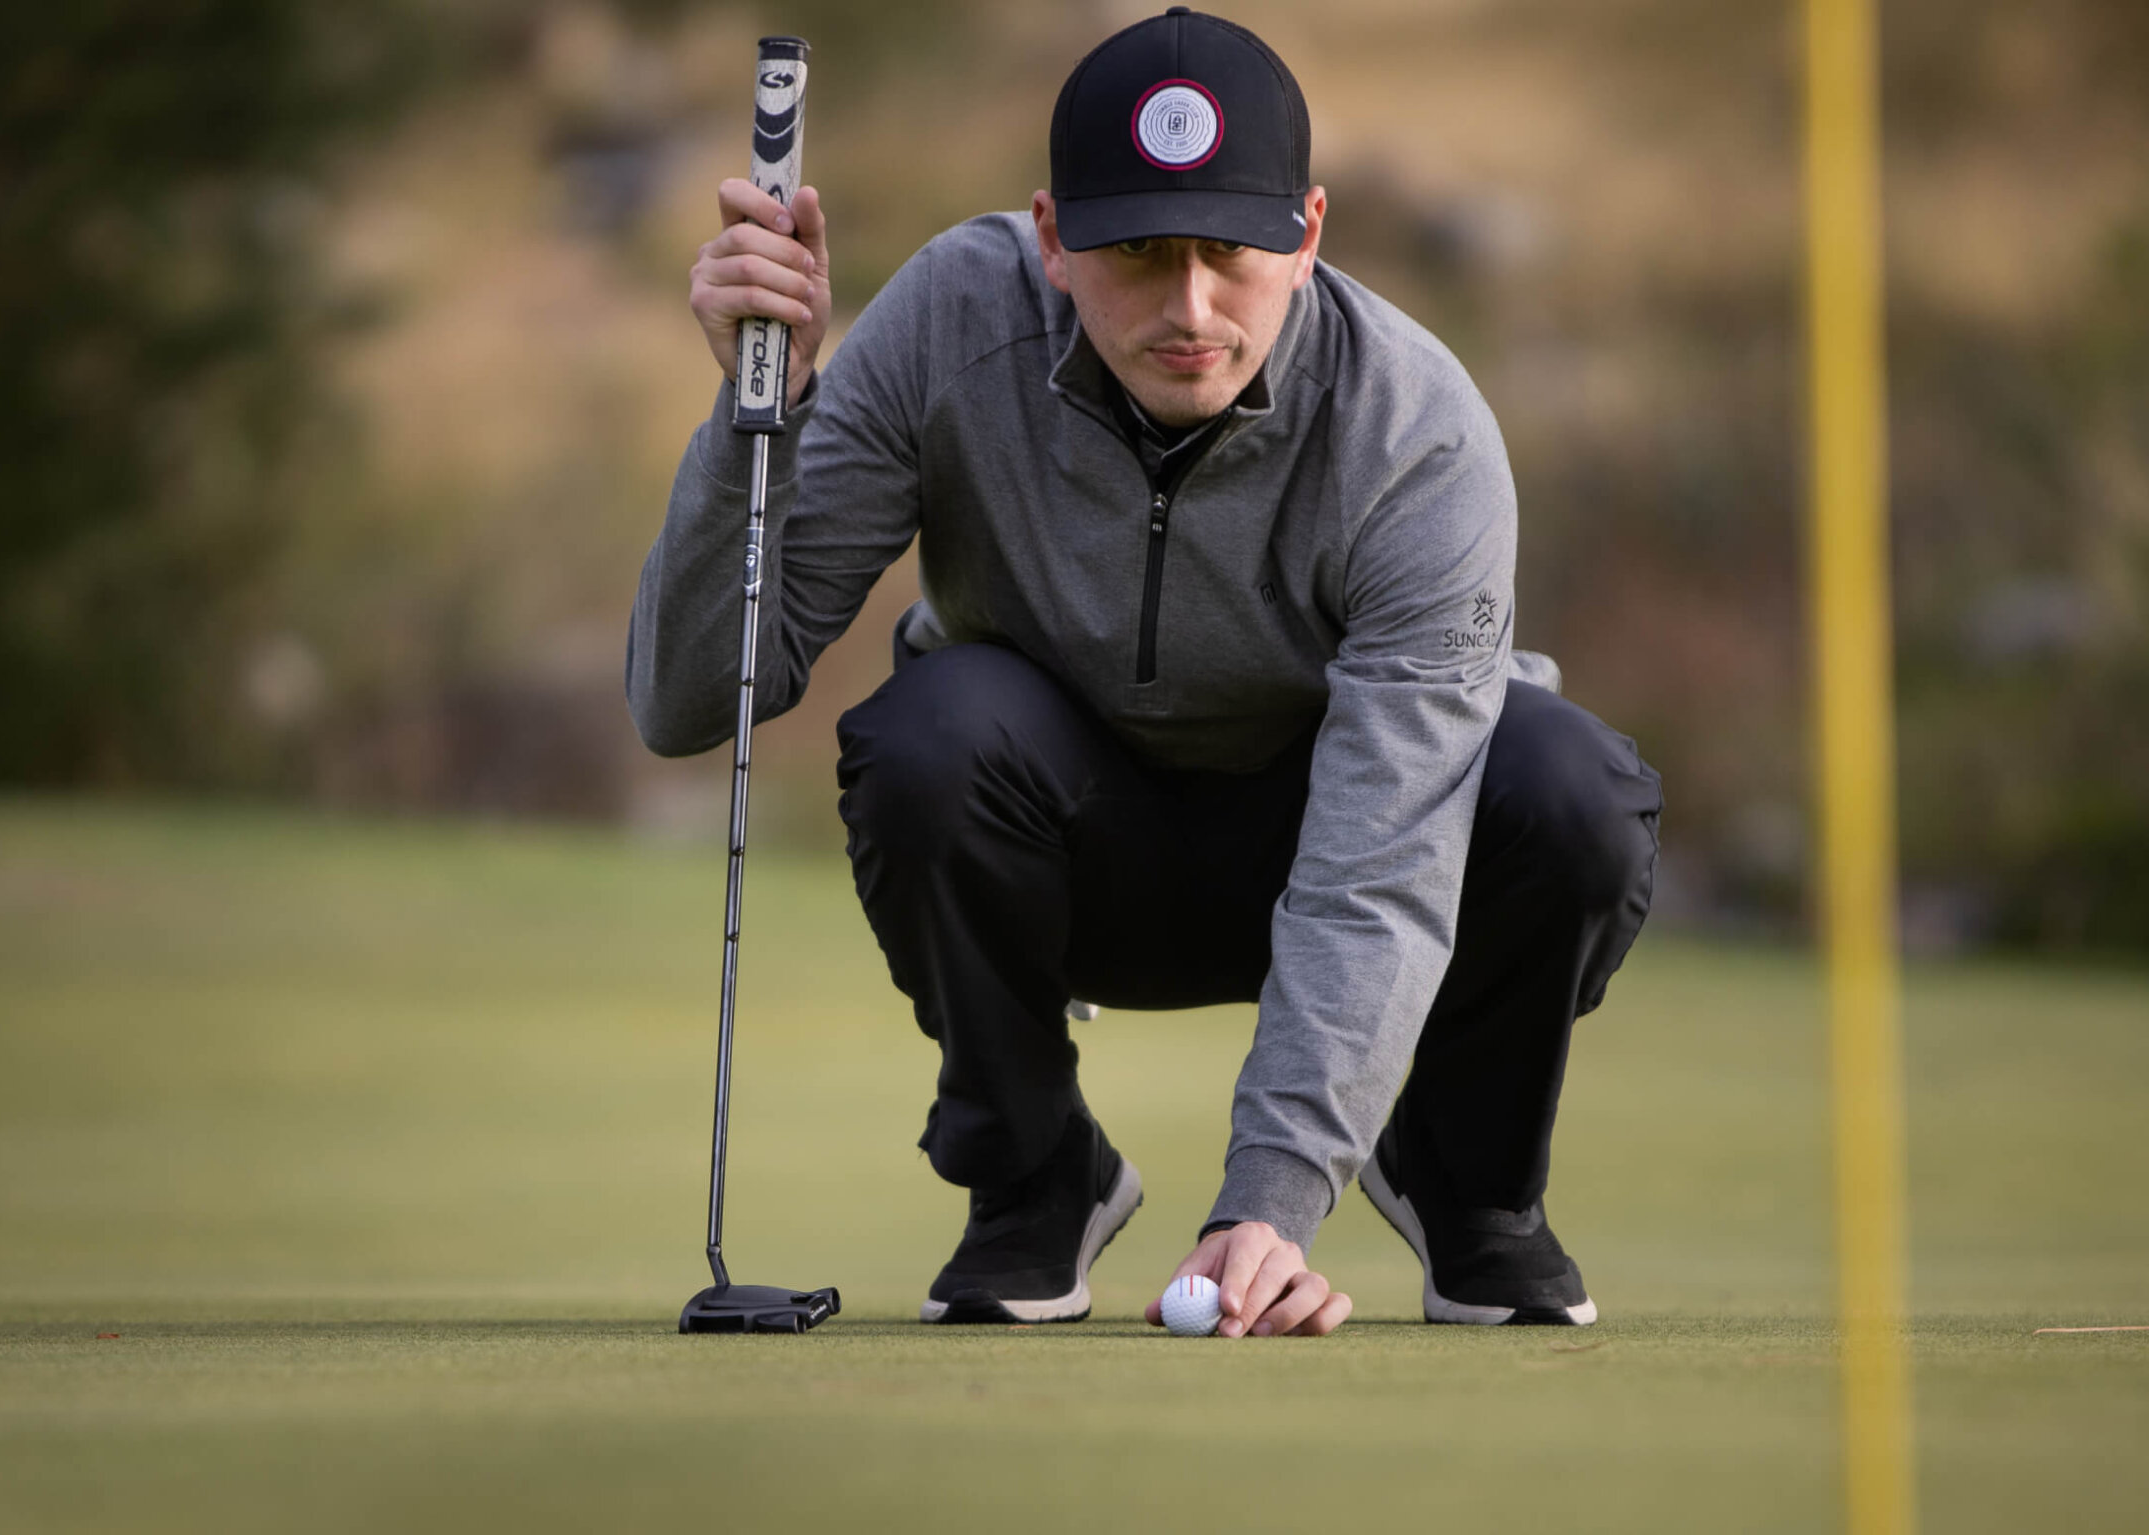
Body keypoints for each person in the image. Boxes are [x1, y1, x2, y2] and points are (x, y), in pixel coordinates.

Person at [630, 7, 1661, 1338]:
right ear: (1052, 238)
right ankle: (1033, 1174)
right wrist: (751, 419)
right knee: (931, 736)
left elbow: (1386, 862)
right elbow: (690, 700)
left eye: (1230, 252)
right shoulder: (950, 320)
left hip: (1345, 846)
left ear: (1309, 233)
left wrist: (1271, 1202)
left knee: (1564, 785)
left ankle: (1466, 1184)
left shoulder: (1417, 432)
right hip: (1077, 856)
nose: (1188, 309)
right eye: (1135, 254)